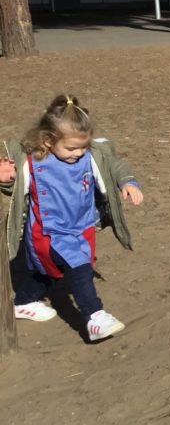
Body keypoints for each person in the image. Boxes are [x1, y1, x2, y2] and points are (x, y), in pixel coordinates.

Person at [0, 95, 143, 342]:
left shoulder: (91, 155)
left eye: (83, 147)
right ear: (48, 140)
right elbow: (15, 189)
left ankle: (22, 302)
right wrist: (6, 179)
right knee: (79, 266)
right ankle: (95, 317)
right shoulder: (32, 162)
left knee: (51, 271)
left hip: (82, 226)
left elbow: (114, 165)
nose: (78, 153)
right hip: (48, 231)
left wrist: (128, 182)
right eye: (71, 148)